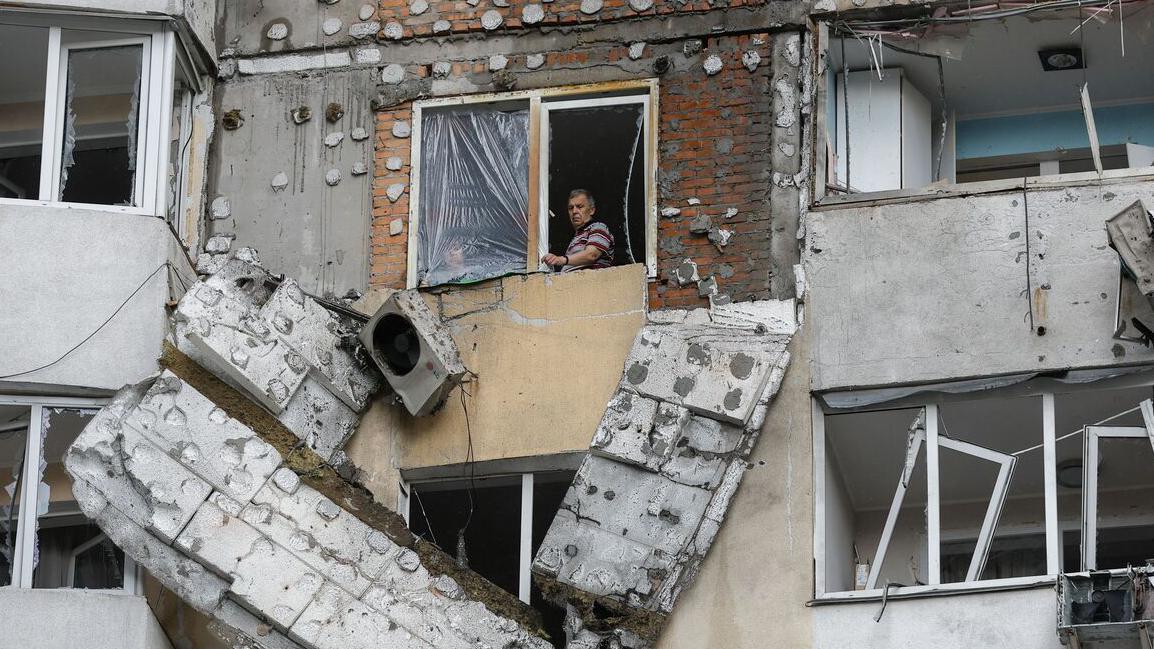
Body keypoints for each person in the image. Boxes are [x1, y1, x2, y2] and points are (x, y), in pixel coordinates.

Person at [541, 189, 615, 272]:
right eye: (570, 208)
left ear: (592, 210)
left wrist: (561, 259)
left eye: (579, 207)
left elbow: (591, 255)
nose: (574, 211)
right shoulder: (576, 237)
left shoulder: (599, 227)